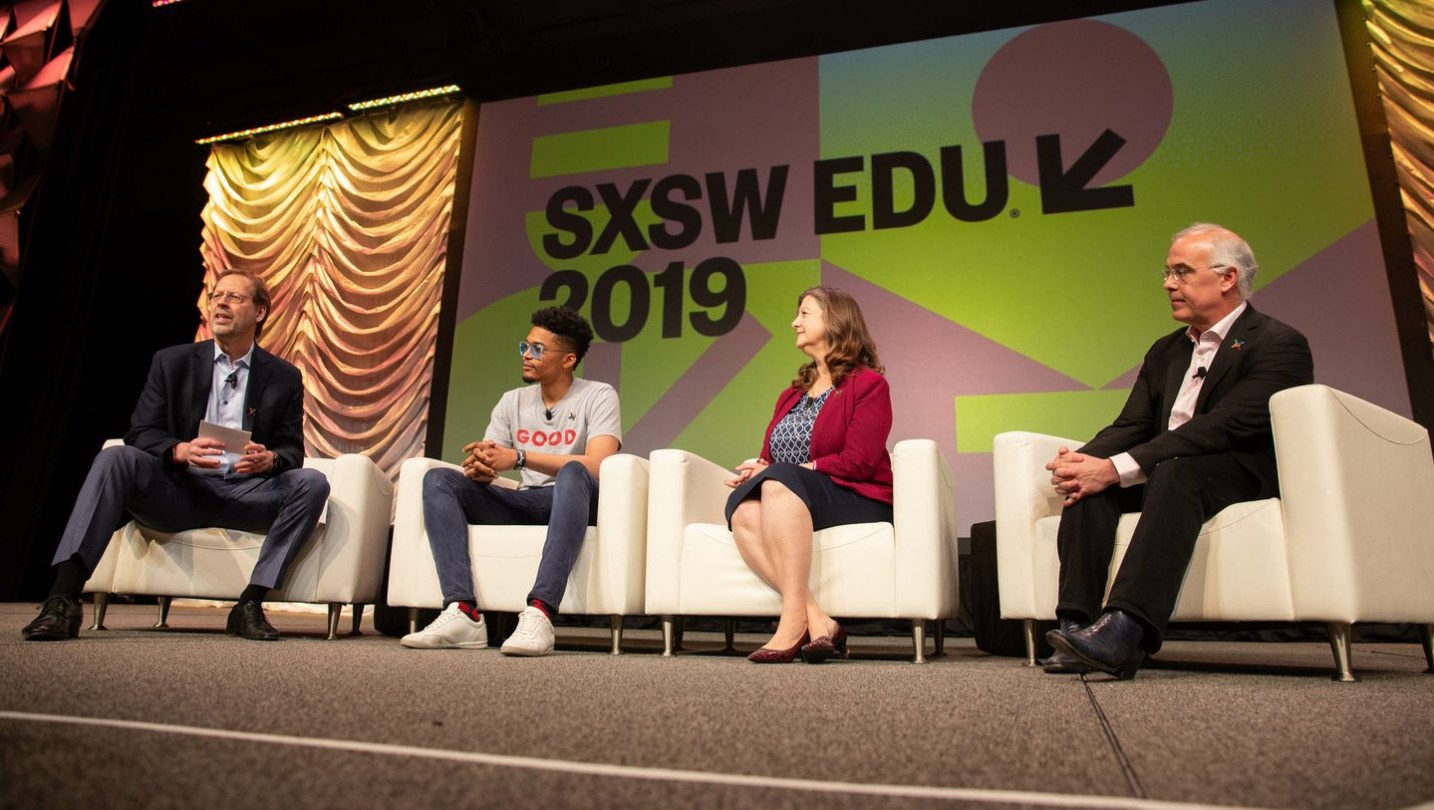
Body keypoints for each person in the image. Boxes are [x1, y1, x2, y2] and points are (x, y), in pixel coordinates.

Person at [1042, 223, 1314, 679]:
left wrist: (1117, 467)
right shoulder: (1166, 350)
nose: (1169, 284)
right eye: (1167, 272)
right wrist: (1085, 461)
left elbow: (1223, 427)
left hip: (1235, 471)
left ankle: (1126, 630)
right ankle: (1077, 626)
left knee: (1174, 469)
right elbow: (1132, 425)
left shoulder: (1277, 342)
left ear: (1227, 278)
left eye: (1182, 272)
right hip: (1170, 467)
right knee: (1088, 487)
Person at [22, 269, 330, 642]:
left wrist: (271, 460)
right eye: (217, 296)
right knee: (115, 457)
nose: (221, 303)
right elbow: (140, 432)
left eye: (234, 297)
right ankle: (63, 599)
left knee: (312, 483)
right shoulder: (172, 362)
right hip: (179, 490)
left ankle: (250, 603)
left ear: (260, 312)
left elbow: (292, 450)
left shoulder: (284, 377)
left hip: (244, 493)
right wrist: (180, 450)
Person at [401, 306, 621, 656]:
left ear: (567, 360)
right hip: (525, 499)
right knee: (439, 480)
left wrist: (519, 457)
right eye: (525, 346)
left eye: (537, 349)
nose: (526, 356)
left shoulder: (598, 394)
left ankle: (540, 612)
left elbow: (599, 464)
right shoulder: (511, 402)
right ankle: (463, 611)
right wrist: (482, 467)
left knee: (574, 472)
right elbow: (494, 456)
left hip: (573, 502)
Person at [725, 285, 894, 664]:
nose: (794, 322)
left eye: (804, 314)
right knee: (742, 509)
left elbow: (860, 462)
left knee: (781, 482)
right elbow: (774, 458)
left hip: (856, 495)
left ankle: (790, 622)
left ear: (834, 321)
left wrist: (792, 471)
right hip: (795, 494)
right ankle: (818, 619)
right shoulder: (791, 394)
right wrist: (762, 467)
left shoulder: (868, 385)